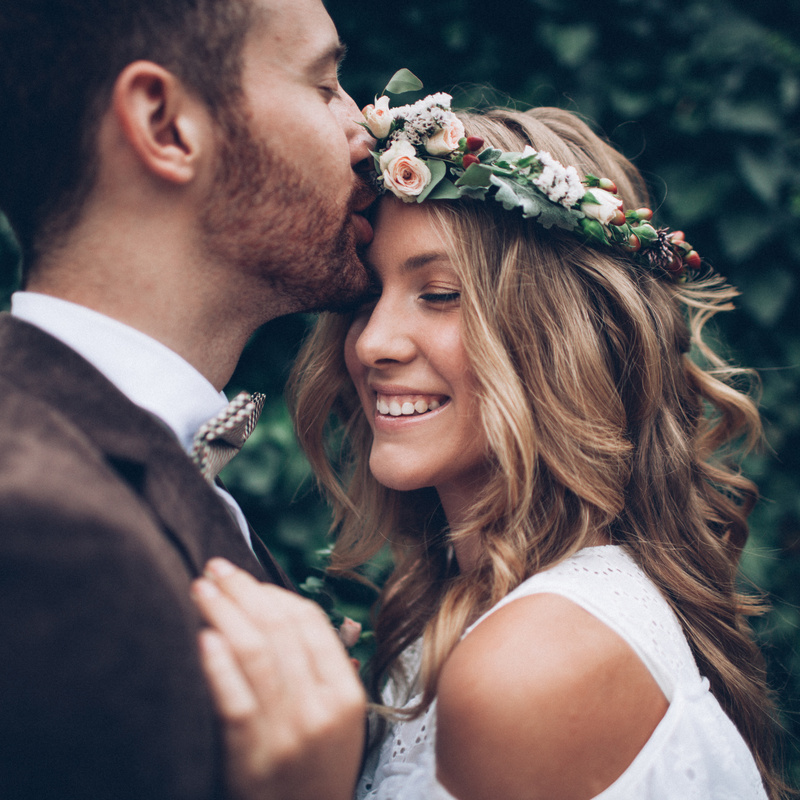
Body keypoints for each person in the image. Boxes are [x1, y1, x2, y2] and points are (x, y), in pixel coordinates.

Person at [193, 96, 791, 799]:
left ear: (563, 338)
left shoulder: (533, 661)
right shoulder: (468, 613)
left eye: (440, 294)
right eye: (367, 297)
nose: (374, 342)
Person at [0, 0, 372, 797]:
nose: (365, 129)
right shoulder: (37, 532)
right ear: (166, 126)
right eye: (325, 86)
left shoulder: (105, 455)